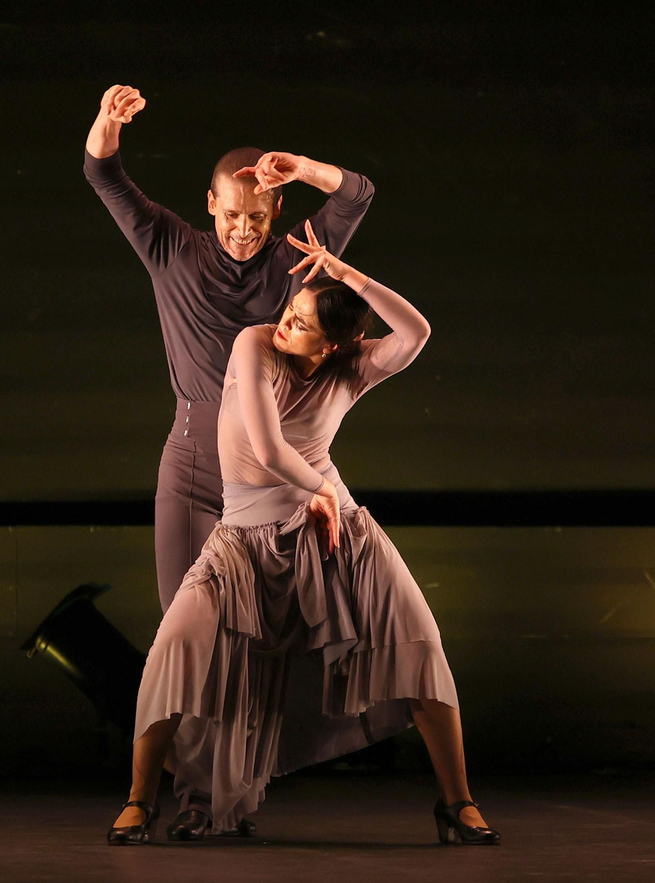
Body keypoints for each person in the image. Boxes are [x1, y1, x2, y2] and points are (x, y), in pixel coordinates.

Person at [106, 223, 499, 846]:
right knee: (176, 644)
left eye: (303, 321)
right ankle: (138, 799)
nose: (285, 322)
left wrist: (348, 275)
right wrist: (317, 489)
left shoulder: (352, 368)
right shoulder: (252, 344)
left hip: (335, 532)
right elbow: (265, 447)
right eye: (290, 310)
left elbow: (418, 333)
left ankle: (459, 802)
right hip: (246, 534)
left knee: (417, 642)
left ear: (337, 344)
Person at [85, 85, 376, 838]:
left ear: (274, 213)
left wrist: (304, 166)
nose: (244, 231)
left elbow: (357, 194)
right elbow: (105, 177)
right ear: (208, 205)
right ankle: (146, 795)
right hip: (190, 466)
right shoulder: (169, 246)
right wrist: (109, 127)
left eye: (256, 217)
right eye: (231, 214)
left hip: (268, 478)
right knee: (185, 637)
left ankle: (210, 802)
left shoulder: (299, 262)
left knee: (249, 644)